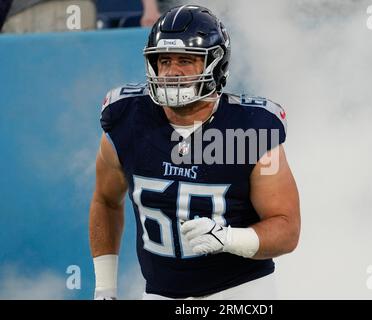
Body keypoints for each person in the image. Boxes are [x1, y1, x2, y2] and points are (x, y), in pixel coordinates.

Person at [89, 4, 301, 300]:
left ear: (216, 65)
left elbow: (287, 229)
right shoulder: (127, 119)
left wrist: (228, 238)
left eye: (186, 60)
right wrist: (105, 289)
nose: (172, 72)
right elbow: (106, 202)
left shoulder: (251, 129)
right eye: (164, 60)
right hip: (159, 293)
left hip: (240, 291)